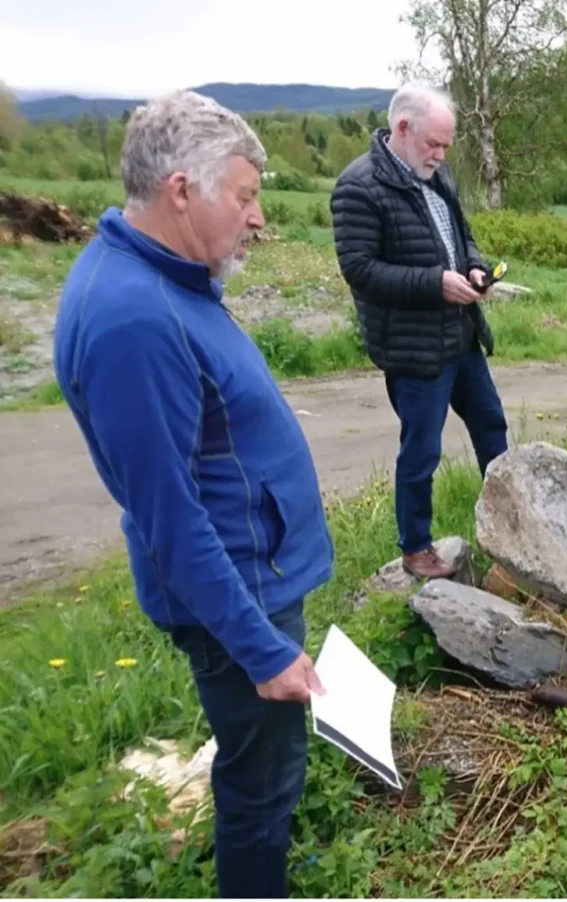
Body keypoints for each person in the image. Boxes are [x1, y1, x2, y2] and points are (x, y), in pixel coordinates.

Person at [52, 90, 331, 899]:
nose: (258, 219)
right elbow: (168, 517)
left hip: (255, 571)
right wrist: (262, 649)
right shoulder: (133, 320)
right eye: (244, 197)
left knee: (263, 768)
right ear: (182, 190)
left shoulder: (164, 277)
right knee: (261, 781)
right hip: (237, 594)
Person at [330, 83, 509, 580]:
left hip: (461, 334)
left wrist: (472, 269)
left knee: (492, 428)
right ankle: (415, 546)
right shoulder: (357, 187)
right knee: (422, 452)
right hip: (413, 348)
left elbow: (461, 235)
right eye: (434, 143)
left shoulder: (437, 173)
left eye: (447, 145)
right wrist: (435, 284)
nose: (441, 154)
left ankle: (517, 522)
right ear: (402, 129)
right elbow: (361, 270)